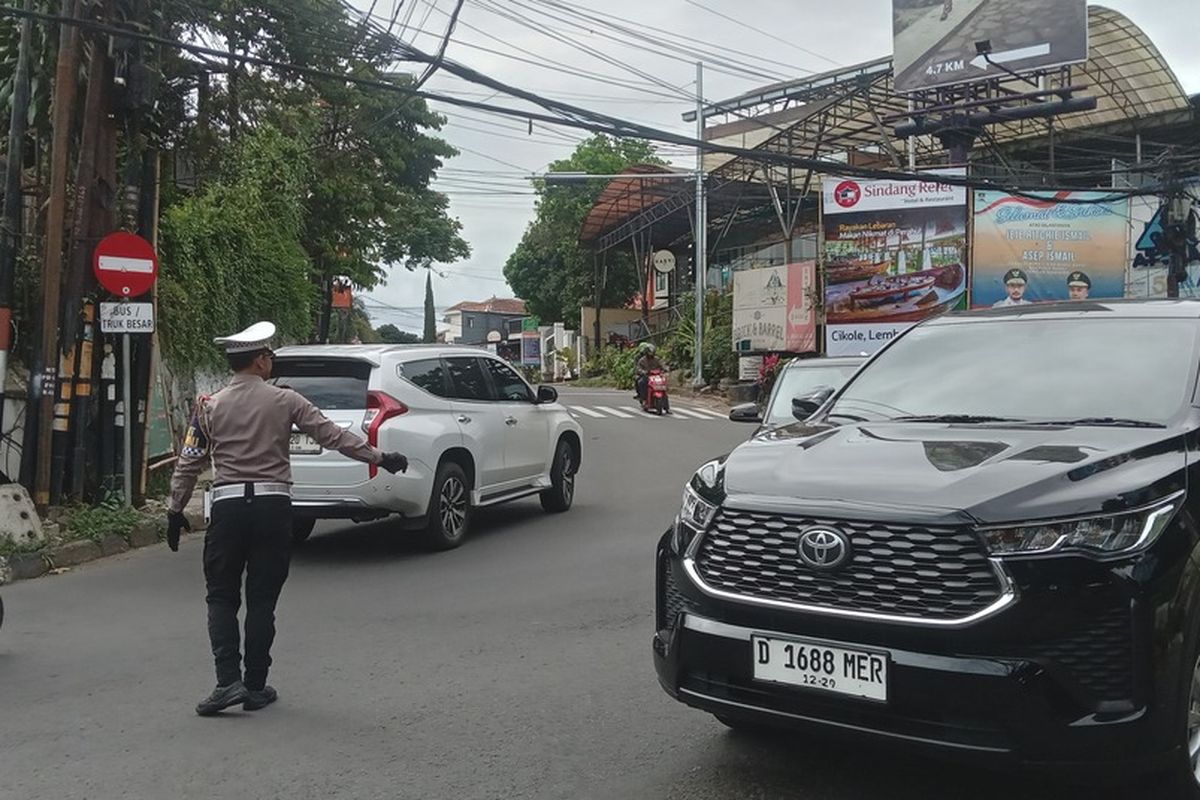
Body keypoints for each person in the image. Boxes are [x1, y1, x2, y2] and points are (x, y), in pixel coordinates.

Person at [167, 321, 409, 717]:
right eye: (270, 357)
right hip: (272, 507)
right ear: (261, 360)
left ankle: (227, 682)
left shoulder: (209, 406)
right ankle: (256, 686)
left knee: (221, 596)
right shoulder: (286, 400)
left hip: (226, 509)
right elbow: (333, 436)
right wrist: (381, 458)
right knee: (262, 599)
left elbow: (189, 462)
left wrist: (175, 510)